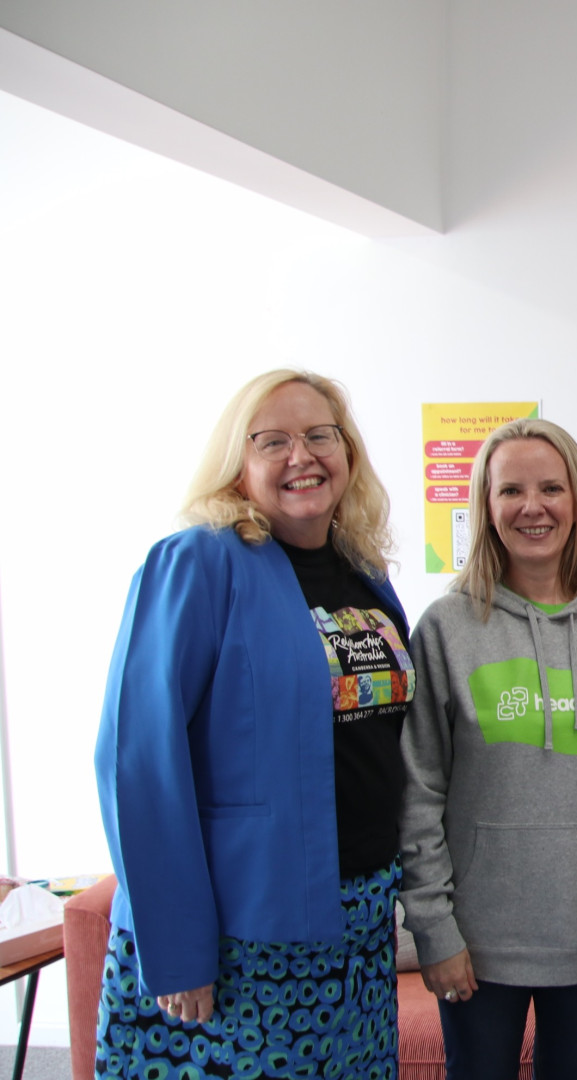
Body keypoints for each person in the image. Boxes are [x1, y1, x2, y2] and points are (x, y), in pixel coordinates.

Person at [95, 370, 411, 1079]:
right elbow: (136, 760)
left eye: (319, 435)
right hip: (243, 933)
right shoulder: (198, 562)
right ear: (239, 465)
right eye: (273, 441)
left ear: (348, 452)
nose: (301, 456)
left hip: (358, 922)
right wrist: (177, 950)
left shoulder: (365, 571)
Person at [398, 418, 577, 1080]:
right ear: (485, 505)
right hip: (479, 938)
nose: (532, 506)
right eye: (511, 490)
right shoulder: (446, 627)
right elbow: (418, 786)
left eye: (551, 488)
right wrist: (434, 928)